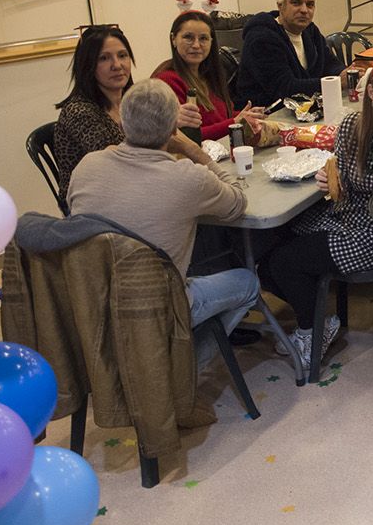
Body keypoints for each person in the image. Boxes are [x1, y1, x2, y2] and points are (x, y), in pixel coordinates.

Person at [66, 80, 261, 373]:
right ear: (173, 129)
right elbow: (237, 202)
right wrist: (196, 152)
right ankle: (182, 371)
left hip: (94, 301)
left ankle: (154, 363)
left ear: (123, 122)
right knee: (248, 283)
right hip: (160, 305)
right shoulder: (188, 177)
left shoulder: (86, 167)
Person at [259, 57, 373, 370]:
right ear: (371, 92)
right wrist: (328, 181)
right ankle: (318, 317)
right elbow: (339, 182)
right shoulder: (353, 126)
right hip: (343, 214)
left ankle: (312, 328)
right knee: (267, 248)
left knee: (284, 262)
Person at [54, 24, 207, 193]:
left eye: (122, 55)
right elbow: (122, 163)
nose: (117, 65)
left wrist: (174, 127)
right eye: (104, 58)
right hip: (95, 203)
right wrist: (165, 126)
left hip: (136, 189)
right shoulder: (79, 111)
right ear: (87, 66)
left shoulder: (132, 100)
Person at [153, 10, 266, 144]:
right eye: (188, 37)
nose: (196, 45)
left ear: (212, 41)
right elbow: (187, 137)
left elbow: (221, 117)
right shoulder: (166, 81)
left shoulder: (210, 75)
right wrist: (235, 122)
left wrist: (247, 115)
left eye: (203, 38)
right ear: (173, 39)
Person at [235, 0, 342, 110]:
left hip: (302, 108)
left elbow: (329, 64)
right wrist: (337, 83)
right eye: (296, 3)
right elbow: (285, 88)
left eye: (310, 4)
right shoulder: (261, 38)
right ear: (280, 6)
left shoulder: (310, 30)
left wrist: (345, 73)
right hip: (265, 113)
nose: (304, 10)